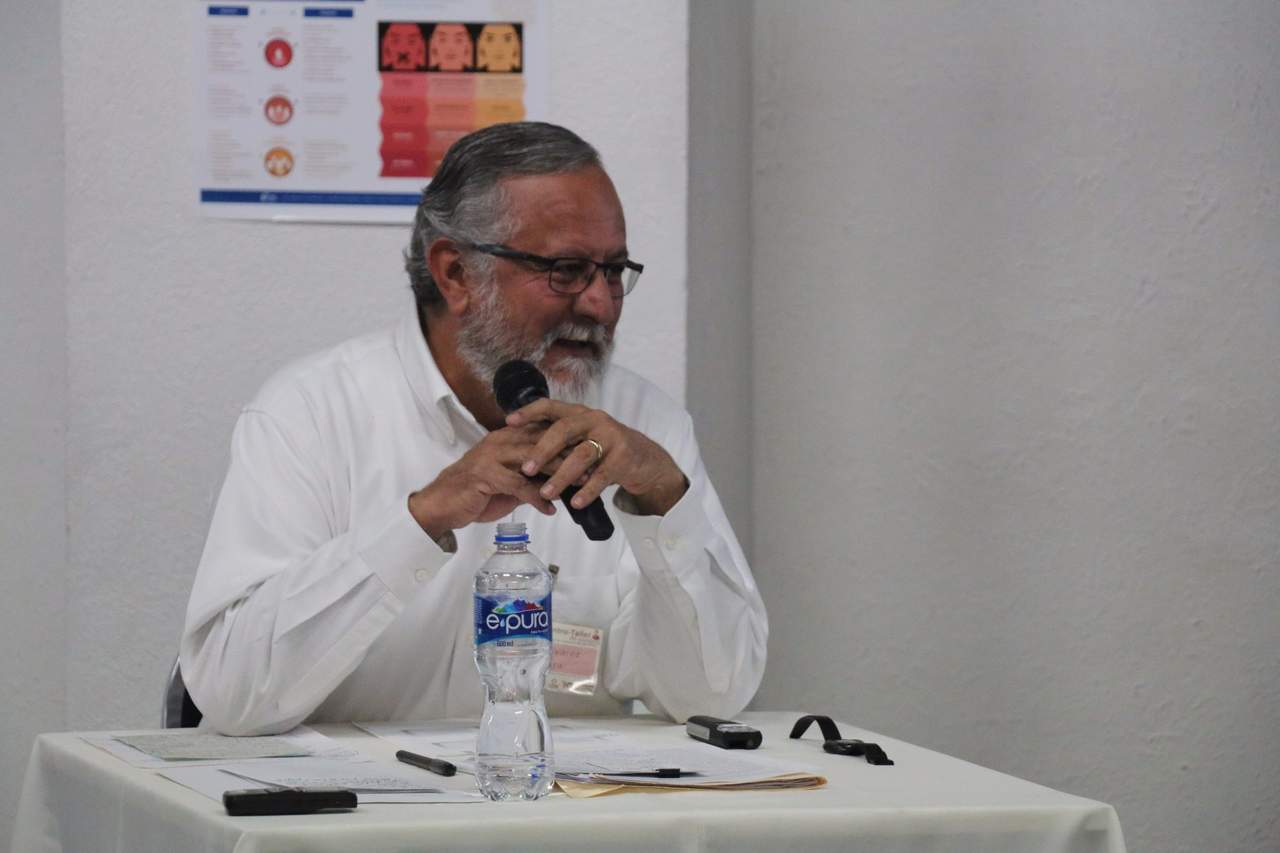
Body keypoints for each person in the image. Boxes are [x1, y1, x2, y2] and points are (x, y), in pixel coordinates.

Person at [181, 122, 768, 735]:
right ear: (456, 273)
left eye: (614, 270)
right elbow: (230, 691)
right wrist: (421, 520)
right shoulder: (311, 413)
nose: (600, 303)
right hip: (348, 797)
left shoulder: (644, 428)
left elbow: (712, 694)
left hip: (561, 794)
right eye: (566, 270)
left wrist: (662, 498)